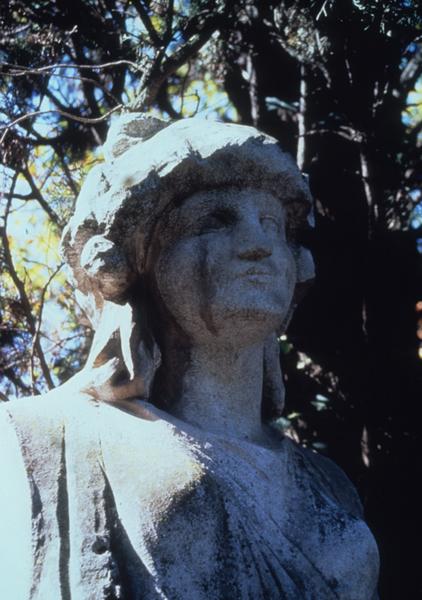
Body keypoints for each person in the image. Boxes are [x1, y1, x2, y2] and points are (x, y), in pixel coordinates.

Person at [0, 114, 379, 599]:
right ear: (136, 261)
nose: (258, 245)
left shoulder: (330, 484)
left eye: (271, 224)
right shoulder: (38, 438)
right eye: (214, 220)